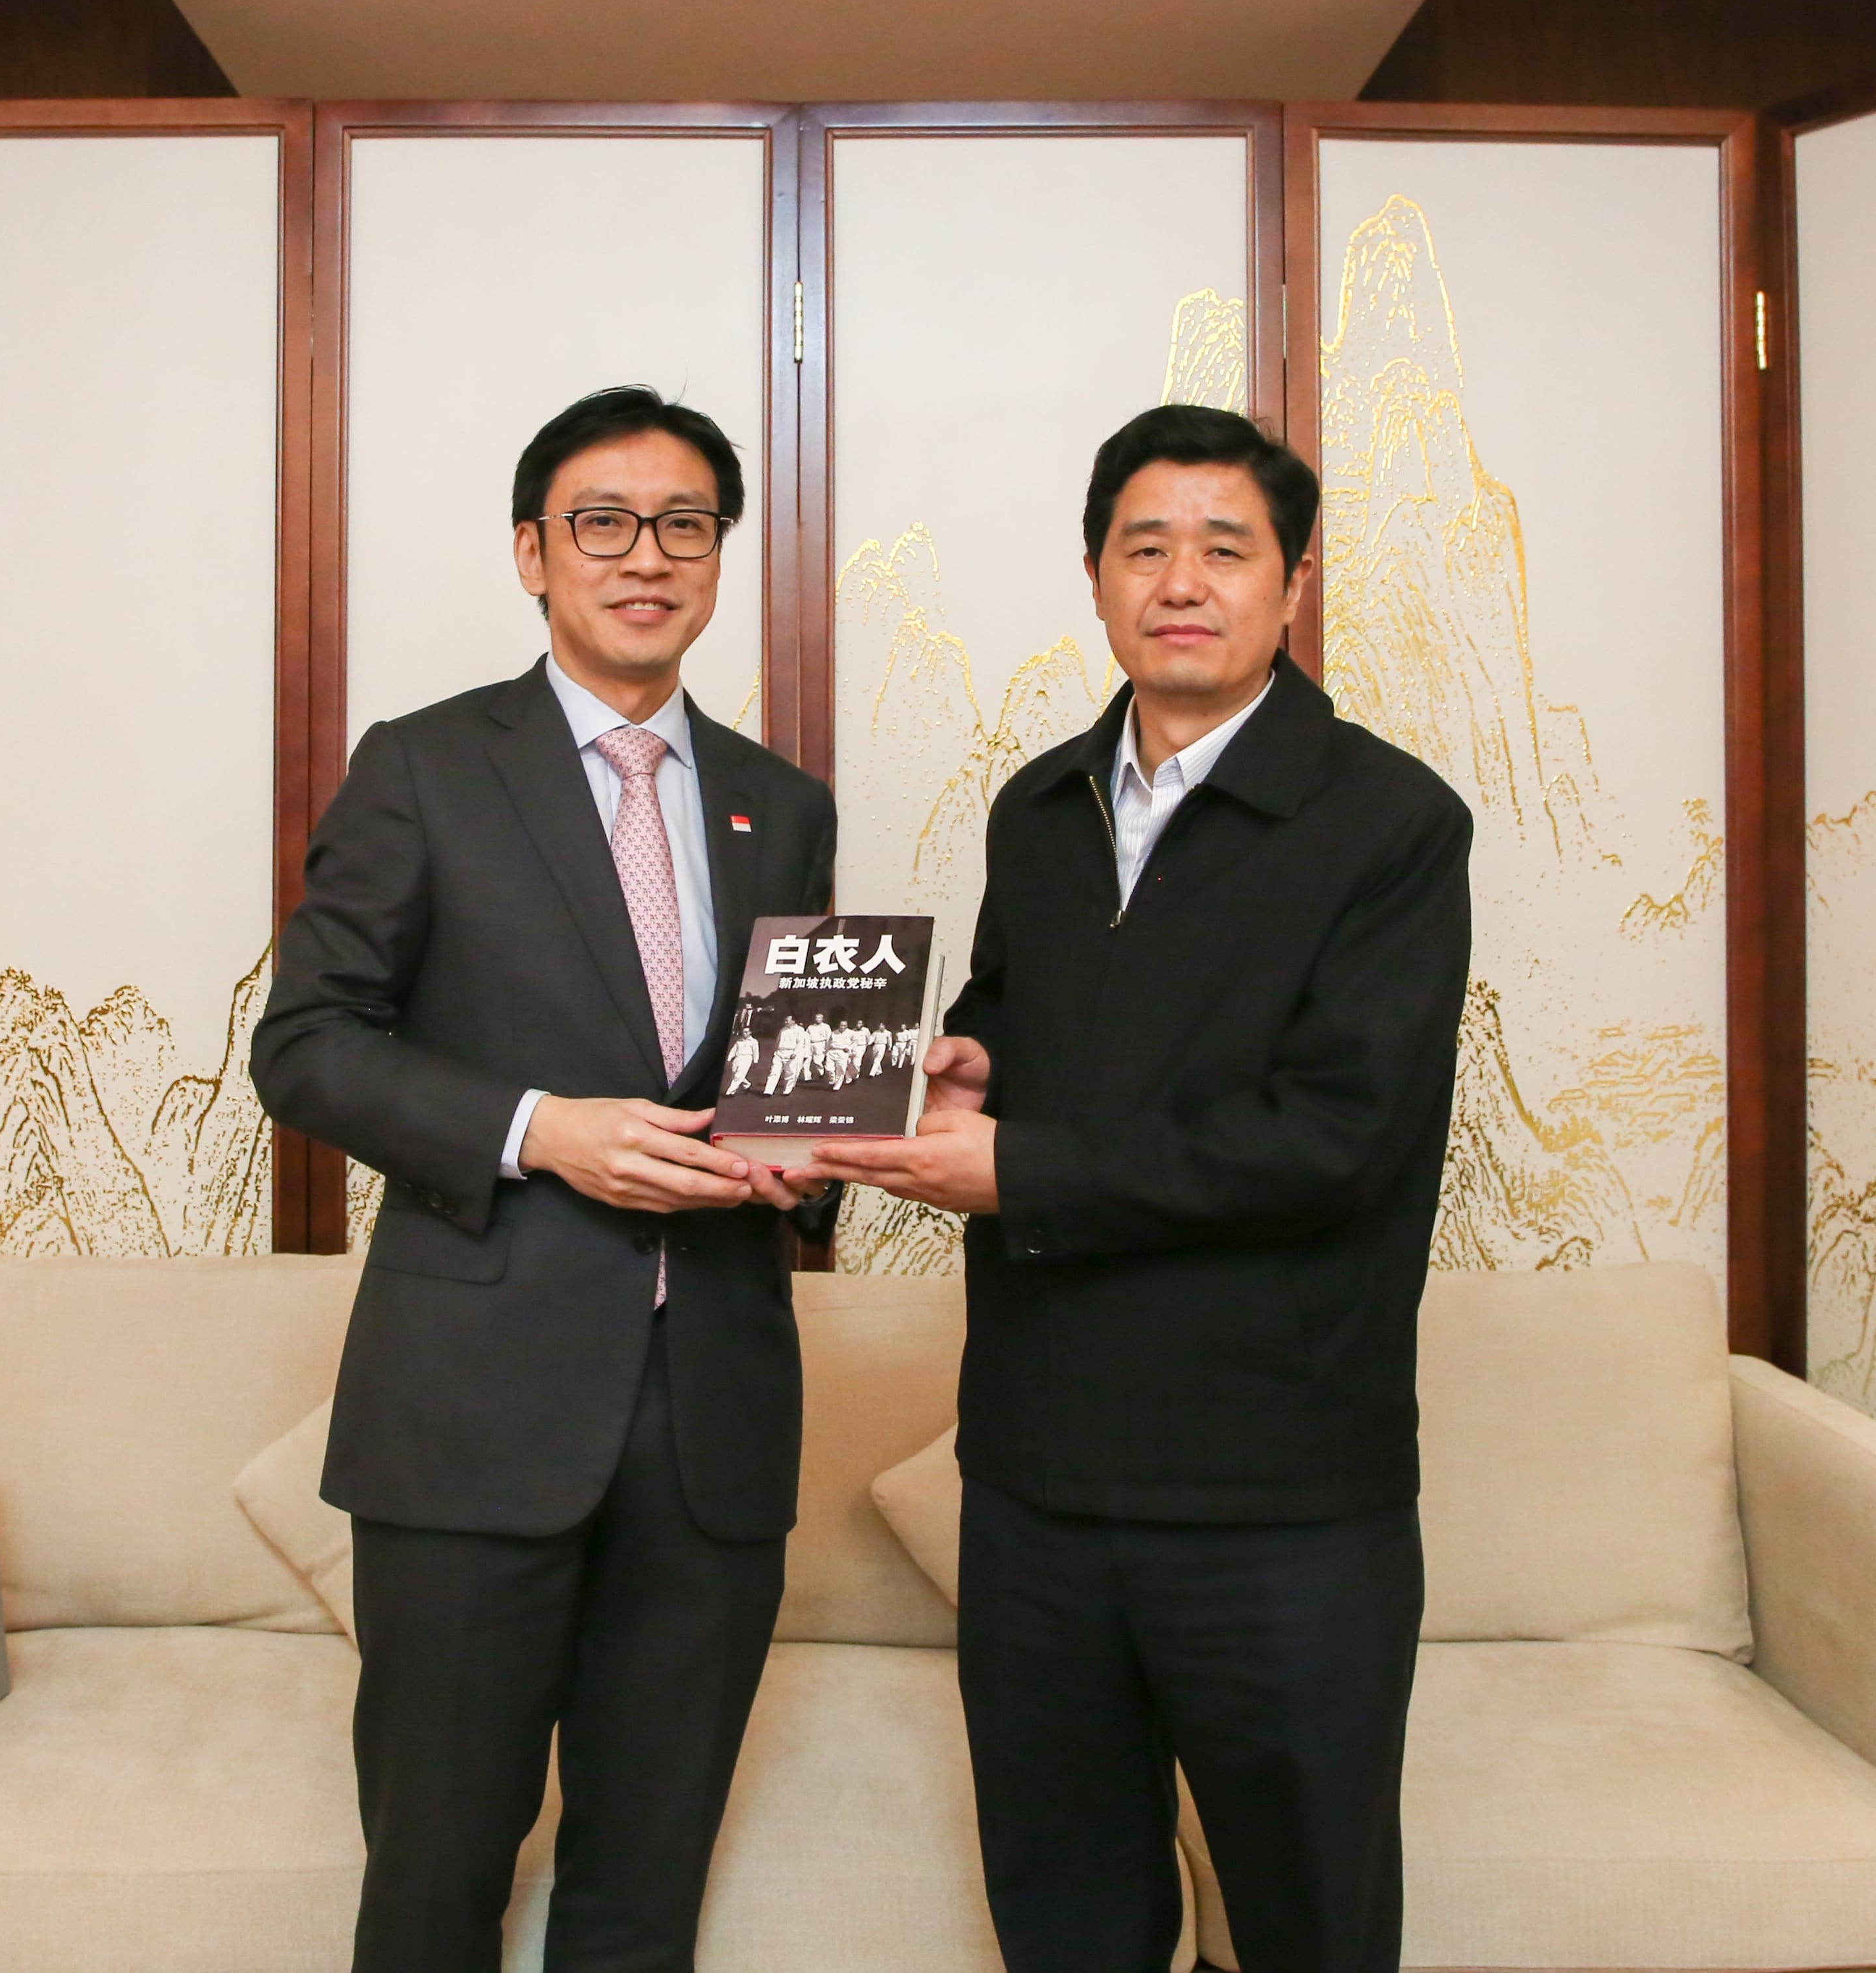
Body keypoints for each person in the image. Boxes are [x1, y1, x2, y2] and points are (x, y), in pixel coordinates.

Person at [815, 405, 1472, 1973]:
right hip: (1038, 1485)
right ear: (1098, 577)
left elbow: (1340, 1136)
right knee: (1065, 1921)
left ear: (1294, 582)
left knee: (1311, 1928)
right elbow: (1025, 1011)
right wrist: (967, 1064)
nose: (1182, 579)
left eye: (1226, 548)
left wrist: (1020, 1163)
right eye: (1145, 546)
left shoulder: (1390, 824)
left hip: (1283, 1502)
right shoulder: (1039, 807)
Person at [252, 385, 837, 1973]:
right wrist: (538, 1127)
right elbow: (305, 1046)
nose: (644, 557)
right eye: (602, 522)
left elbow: (780, 1098)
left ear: (719, 558)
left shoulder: (780, 805)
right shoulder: (427, 768)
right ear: (533, 552)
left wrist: (832, 1143)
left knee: (645, 1889)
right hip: (473, 1417)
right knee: (439, 1873)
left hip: (713, 1417)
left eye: (685, 526)